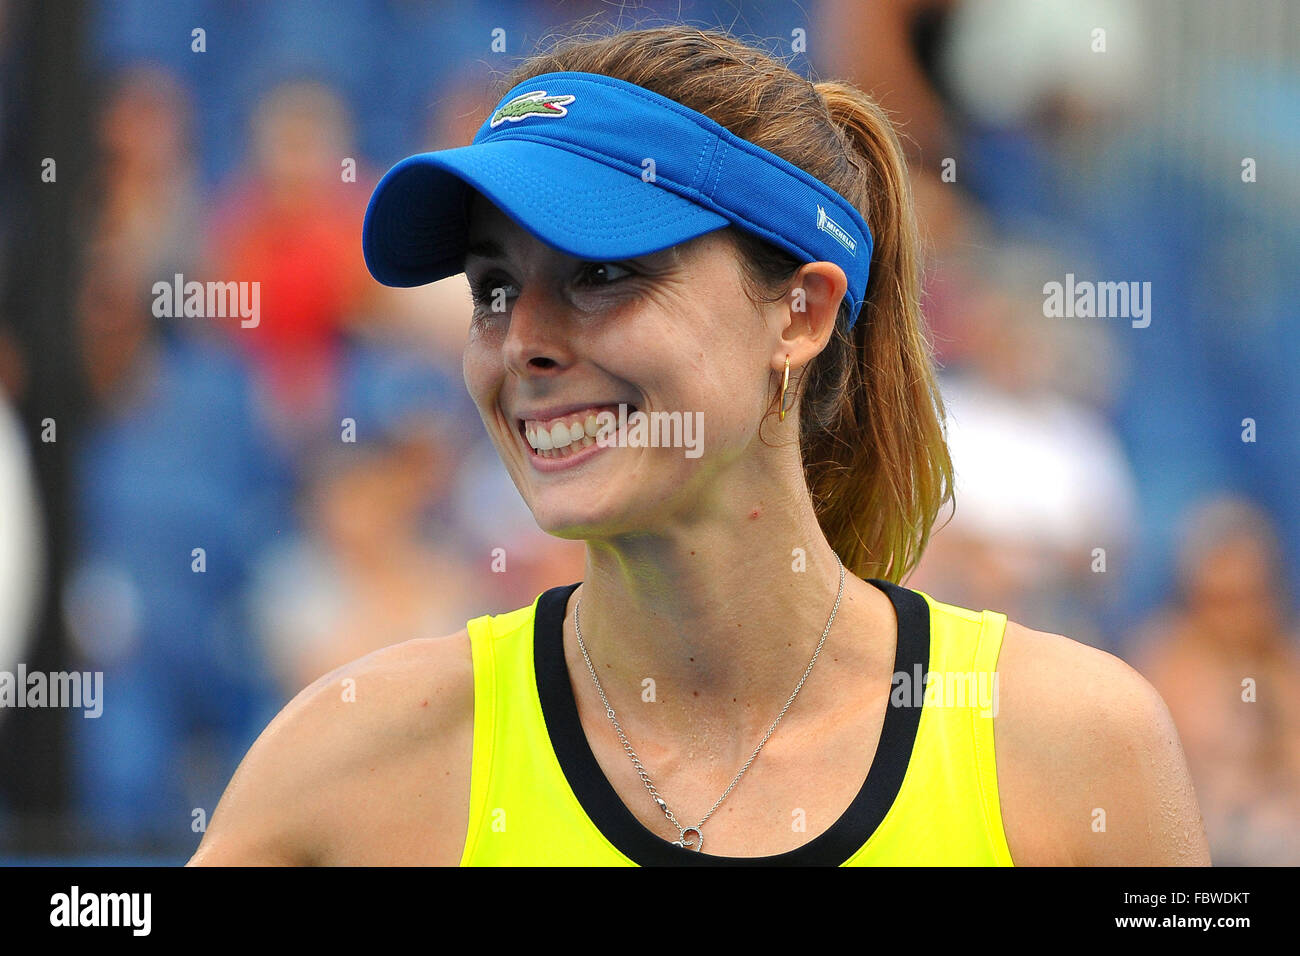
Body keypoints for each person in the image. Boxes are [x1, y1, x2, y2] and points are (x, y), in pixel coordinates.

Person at [188, 25, 1209, 866]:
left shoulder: (1076, 746)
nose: (522, 342)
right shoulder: (353, 760)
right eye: (493, 288)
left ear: (801, 314)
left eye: (600, 272)